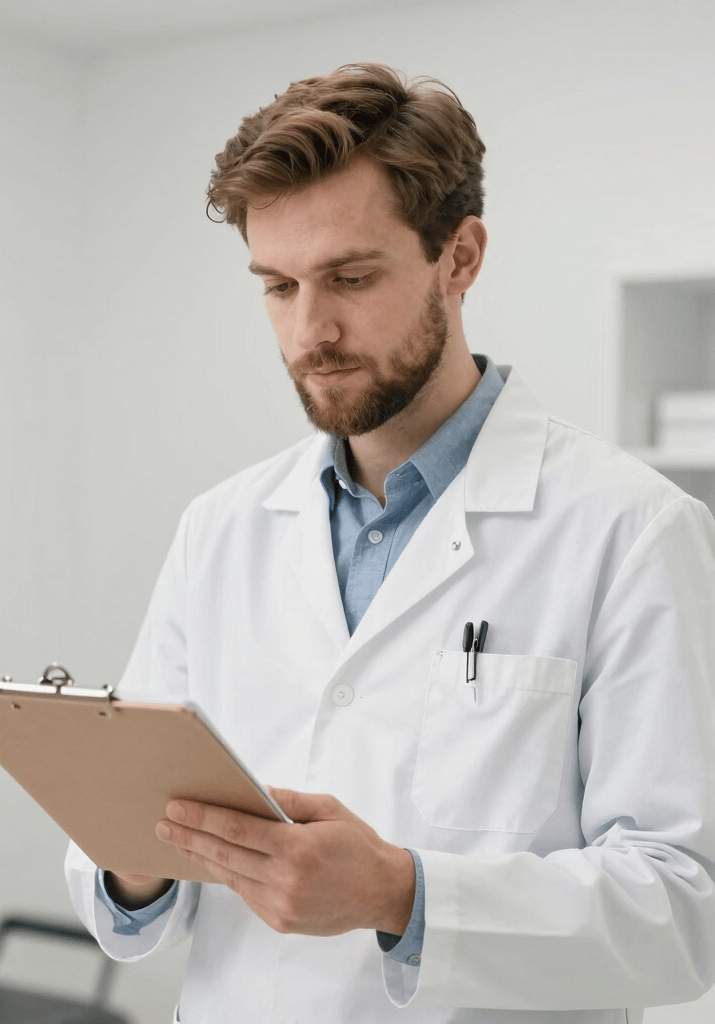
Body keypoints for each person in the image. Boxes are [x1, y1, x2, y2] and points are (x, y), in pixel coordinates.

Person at [65, 63, 715, 1024]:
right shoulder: (221, 527)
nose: (309, 330)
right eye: (277, 286)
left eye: (351, 278)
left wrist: (401, 896)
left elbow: (682, 908)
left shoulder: (631, 528)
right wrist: (131, 861)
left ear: (460, 257)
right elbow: (127, 883)